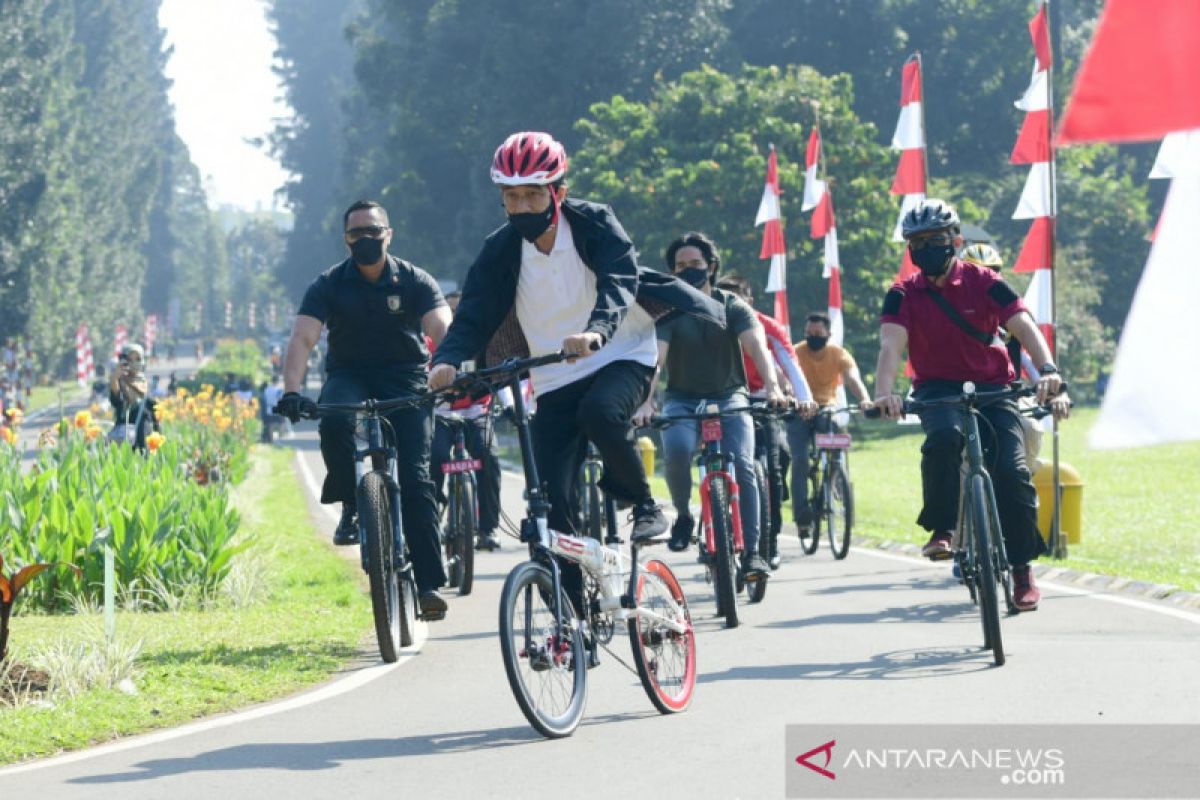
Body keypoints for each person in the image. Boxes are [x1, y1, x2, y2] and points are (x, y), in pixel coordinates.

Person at [429, 131, 725, 617]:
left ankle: (643, 504)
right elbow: (474, 315)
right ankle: (572, 615)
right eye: (511, 197)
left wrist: (596, 332)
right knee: (546, 502)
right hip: (553, 374)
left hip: (621, 352)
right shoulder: (500, 249)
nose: (522, 207)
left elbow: (618, 281)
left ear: (557, 193)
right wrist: (447, 359)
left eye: (532, 194)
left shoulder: (594, 223)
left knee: (601, 412)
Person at [873, 198, 1070, 612]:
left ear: (955, 241)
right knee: (943, 439)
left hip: (995, 388)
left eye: (936, 240)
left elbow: (1024, 326)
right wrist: (884, 393)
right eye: (918, 242)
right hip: (937, 390)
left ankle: (1021, 570)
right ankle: (943, 530)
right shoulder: (901, 294)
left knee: (1013, 473)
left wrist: (1048, 368)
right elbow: (890, 347)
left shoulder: (986, 282)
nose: (927, 248)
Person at [276, 199, 454, 621]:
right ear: (346, 240)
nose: (366, 240)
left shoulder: (414, 280)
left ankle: (428, 583)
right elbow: (303, 338)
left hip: (407, 377)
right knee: (334, 418)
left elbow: (441, 326)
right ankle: (352, 506)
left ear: (388, 234)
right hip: (350, 374)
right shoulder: (328, 284)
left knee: (415, 479)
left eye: (374, 232)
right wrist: (291, 390)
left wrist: (449, 366)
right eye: (357, 234)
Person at [635, 232, 791, 579]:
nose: (688, 270)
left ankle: (753, 553)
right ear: (672, 274)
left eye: (695, 264)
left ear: (712, 266)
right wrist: (646, 402)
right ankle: (685, 515)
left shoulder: (733, 306)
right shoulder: (669, 314)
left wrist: (773, 388)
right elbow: (655, 362)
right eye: (680, 266)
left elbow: (757, 347)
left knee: (745, 465)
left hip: (730, 396)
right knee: (675, 451)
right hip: (681, 400)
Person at [714, 273, 817, 568]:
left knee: (774, 465)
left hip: (761, 398)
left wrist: (804, 396)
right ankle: (715, 522)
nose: (729, 302)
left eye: (736, 296)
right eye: (723, 295)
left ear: (749, 301)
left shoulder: (766, 326)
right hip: (721, 401)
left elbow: (790, 363)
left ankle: (768, 544)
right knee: (715, 461)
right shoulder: (706, 322)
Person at [787, 311, 874, 539]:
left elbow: (853, 377)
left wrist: (864, 399)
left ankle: (836, 478)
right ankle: (802, 516)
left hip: (826, 407)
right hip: (801, 410)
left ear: (828, 334)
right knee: (800, 460)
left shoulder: (838, 353)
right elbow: (785, 377)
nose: (814, 337)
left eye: (818, 333)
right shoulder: (796, 352)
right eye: (810, 333)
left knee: (834, 430)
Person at [430, 290, 506, 551]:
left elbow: (500, 375)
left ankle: (488, 528)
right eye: (449, 313)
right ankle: (430, 519)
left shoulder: (484, 341)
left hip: (476, 411)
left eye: (460, 313)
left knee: (489, 457)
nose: (455, 319)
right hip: (440, 413)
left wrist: (509, 405)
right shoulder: (430, 343)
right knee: (434, 457)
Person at [109, 343, 160, 449]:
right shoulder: (119, 379)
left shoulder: (143, 380)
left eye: (137, 359)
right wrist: (115, 377)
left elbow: (145, 396)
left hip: (143, 423)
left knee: (144, 452)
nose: (134, 363)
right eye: (130, 359)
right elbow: (116, 396)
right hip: (126, 425)